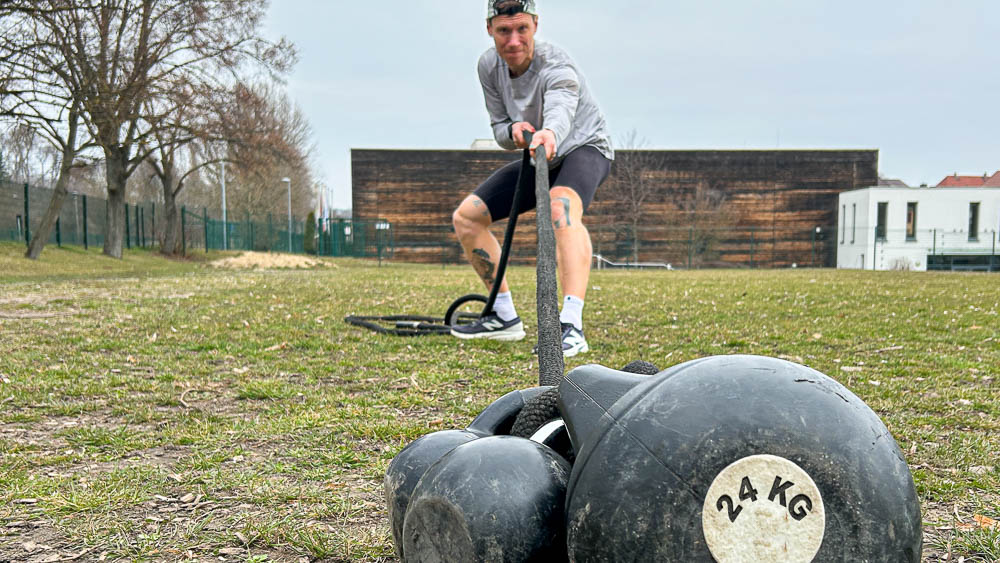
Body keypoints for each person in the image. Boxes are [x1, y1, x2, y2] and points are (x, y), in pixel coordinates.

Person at [450, 0, 613, 357]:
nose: (513, 40)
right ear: (489, 29)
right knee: (467, 217)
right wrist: (514, 132)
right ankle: (504, 317)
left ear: (535, 26)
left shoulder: (556, 63)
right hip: (537, 153)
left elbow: (562, 104)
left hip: (583, 147)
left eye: (521, 29)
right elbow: (498, 127)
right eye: (504, 30)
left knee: (561, 207)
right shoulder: (488, 67)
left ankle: (571, 325)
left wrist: (550, 132)